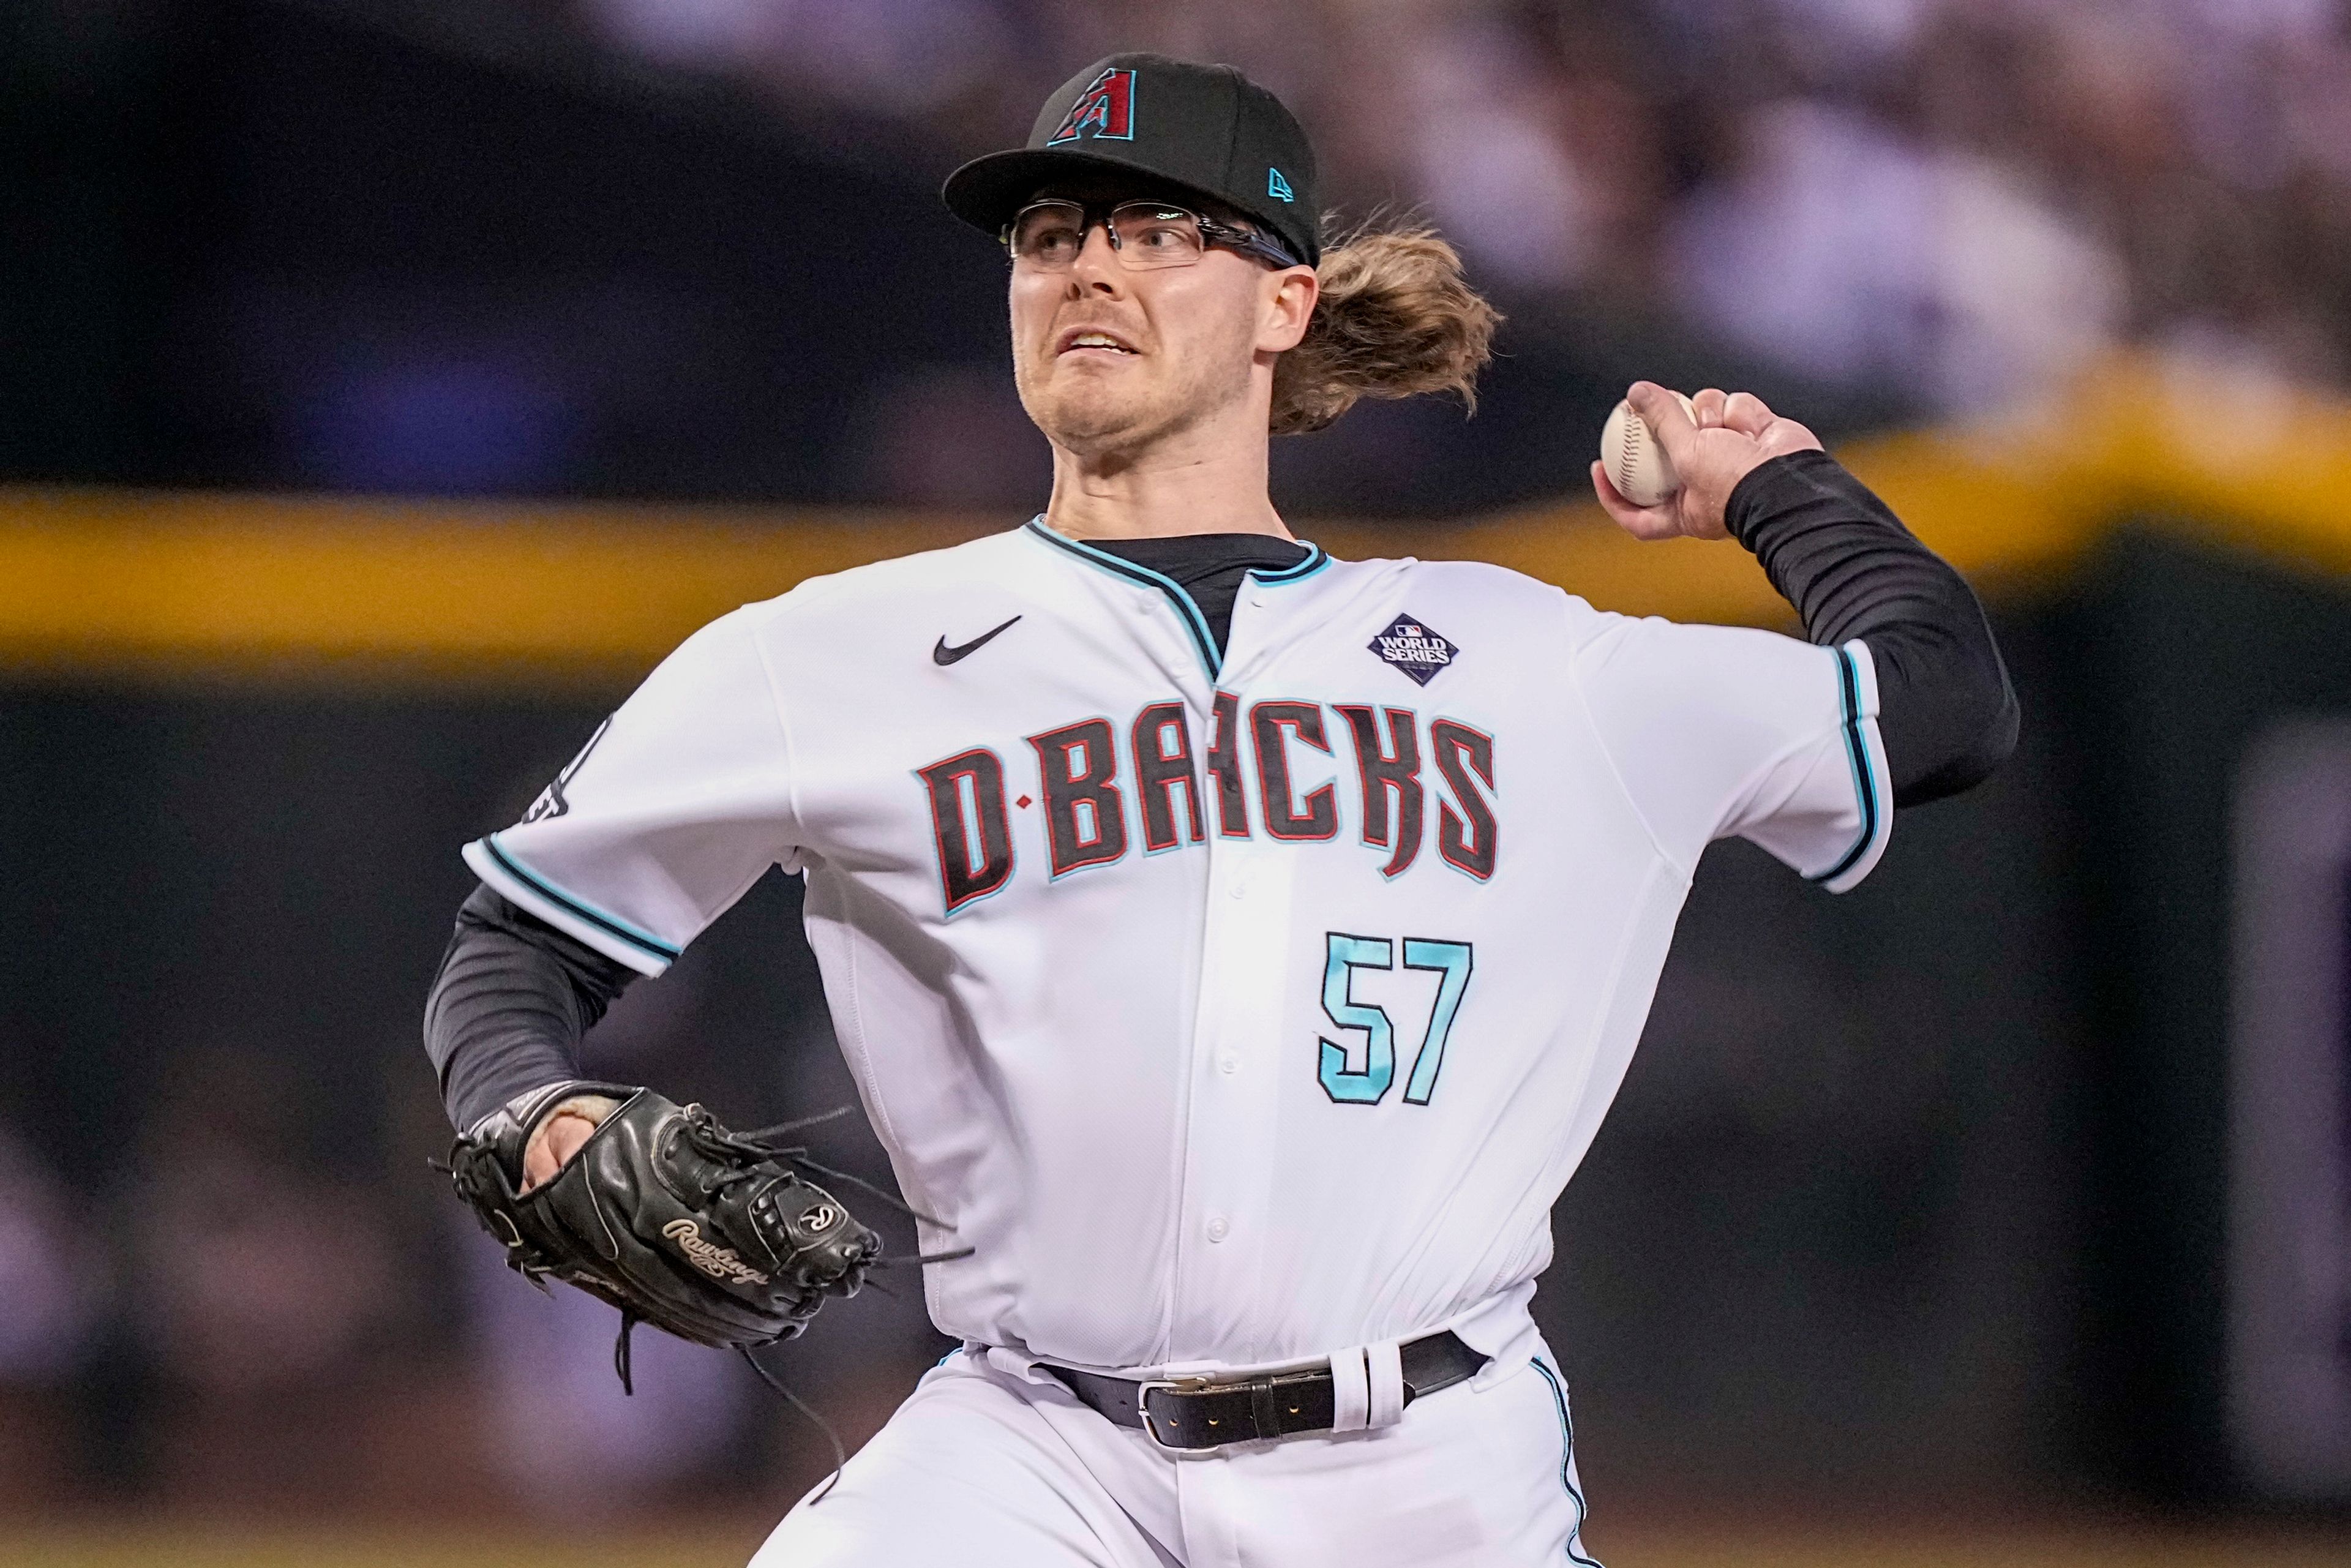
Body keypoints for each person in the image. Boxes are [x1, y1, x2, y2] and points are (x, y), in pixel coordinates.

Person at [422, 52, 2015, 1567]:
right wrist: (534, 1106)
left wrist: (1775, 484)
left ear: (1286, 303)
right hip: (1031, 1449)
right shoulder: (829, 655)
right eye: (1049, 236)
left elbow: (1942, 706)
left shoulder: (1531, 660)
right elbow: (516, 950)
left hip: (1430, 1467)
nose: (1086, 268)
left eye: (1158, 231)